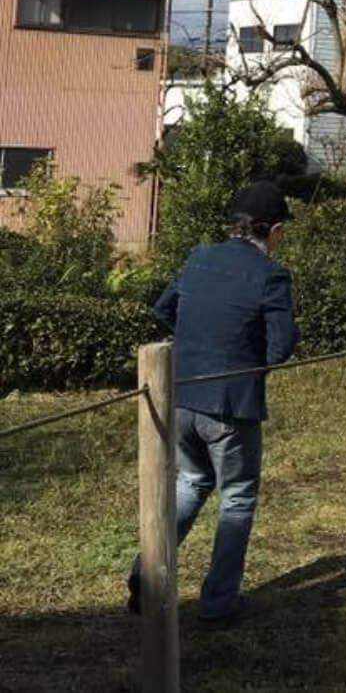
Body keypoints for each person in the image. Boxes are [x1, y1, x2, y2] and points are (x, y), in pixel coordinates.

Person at [127, 181, 298, 622]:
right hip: (231, 404)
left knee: (190, 481)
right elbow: (282, 346)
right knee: (237, 495)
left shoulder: (199, 256)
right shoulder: (271, 275)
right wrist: (243, 359)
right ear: (273, 231)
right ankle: (220, 601)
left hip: (179, 393)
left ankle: (145, 574)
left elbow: (164, 308)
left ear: (234, 225)